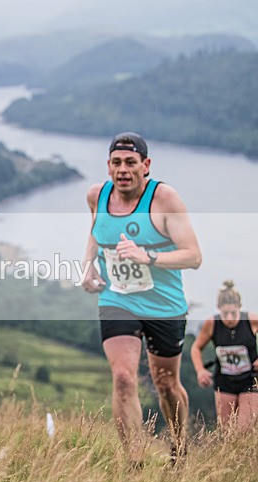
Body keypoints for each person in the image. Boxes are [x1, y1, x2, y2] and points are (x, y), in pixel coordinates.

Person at [81, 132, 202, 463]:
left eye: (131, 163)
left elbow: (193, 256)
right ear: (108, 167)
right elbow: (96, 230)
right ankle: (133, 463)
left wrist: (147, 257)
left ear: (145, 166)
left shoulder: (164, 199)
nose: (123, 169)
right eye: (116, 163)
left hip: (164, 305)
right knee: (122, 377)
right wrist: (88, 265)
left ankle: (179, 448)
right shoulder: (97, 195)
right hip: (116, 298)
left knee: (166, 384)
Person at [190, 280, 258, 430]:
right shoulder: (212, 324)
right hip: (224, 381)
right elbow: (196, 347)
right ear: (218, 309)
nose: (229, 318)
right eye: (225, 313)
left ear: (240, 308)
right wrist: (200, 370)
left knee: (244, 430)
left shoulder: (252, 320)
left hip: (250, 379)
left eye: (233, 313)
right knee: (227, 432)